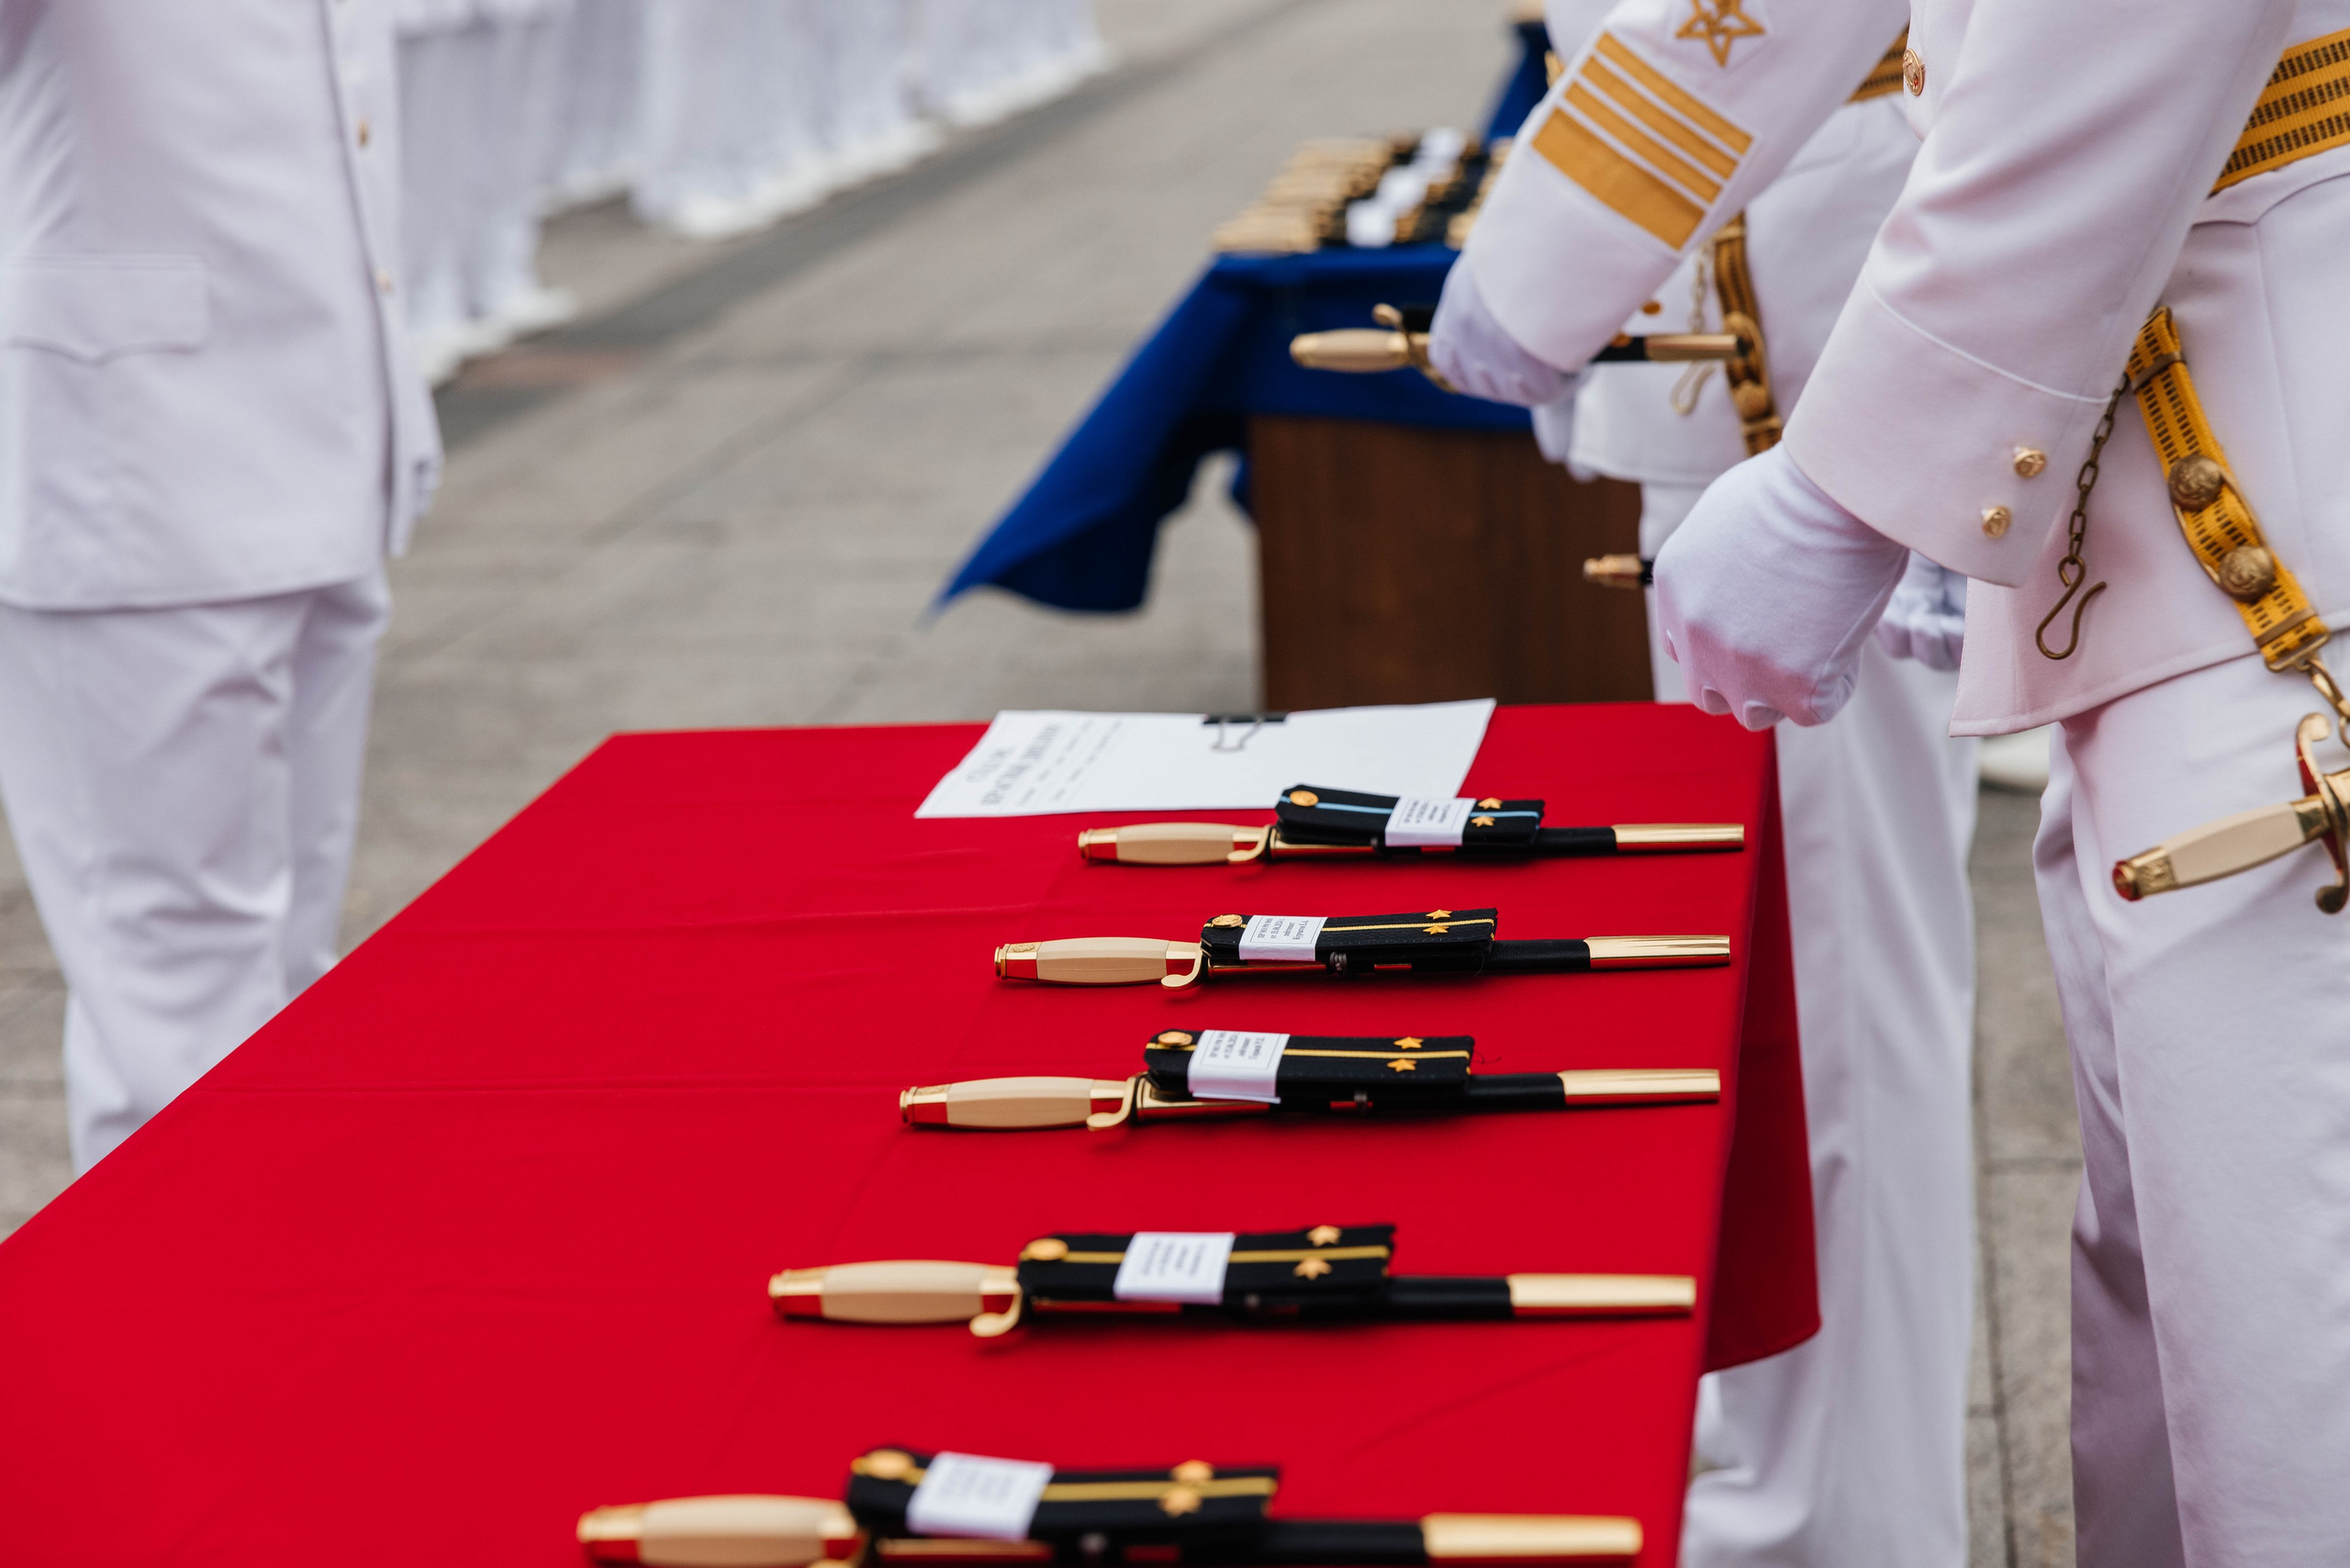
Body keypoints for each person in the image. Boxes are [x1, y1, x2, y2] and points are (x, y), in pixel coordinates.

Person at [1460, 0, 2350, 1560]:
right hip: (2165, 460)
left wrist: (1849, 475)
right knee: (2194, 1355)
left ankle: (1837, 1523)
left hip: (2257, 487)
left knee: (2292, 1384)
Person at [1429, 6, 1979, 1564]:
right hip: (1742, 228)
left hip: (1803, 265)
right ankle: (1802, 1470)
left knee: (1840, 980)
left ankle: (1846, 1519)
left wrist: (1562, 249)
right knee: (1795, 970)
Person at [0, 0, 441, 1170]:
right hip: (133, 459)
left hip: (331, 433)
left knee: (289, 990)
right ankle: (173, 1328)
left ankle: (266, 1302)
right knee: (177, 1015)